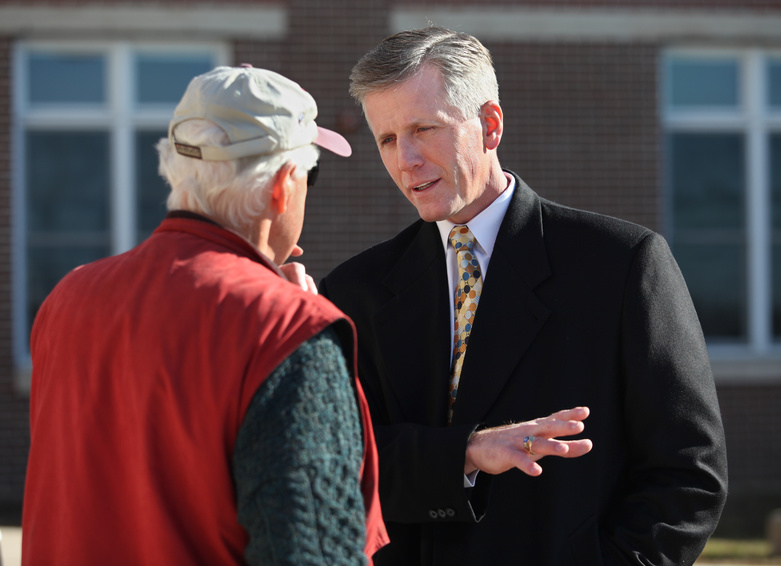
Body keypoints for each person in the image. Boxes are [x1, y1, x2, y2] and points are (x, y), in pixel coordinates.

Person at [319, 27, 728, 565]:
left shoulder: (621, 264)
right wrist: (462, 455)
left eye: (424, 129)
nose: (406, 160)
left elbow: (688, 472)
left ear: (490, 125)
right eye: (388, 139)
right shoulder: (353, 291)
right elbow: (341, 465)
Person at [22, 65, 387, 565]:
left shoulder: (67, 300)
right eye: (311, 174)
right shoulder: (286, 330)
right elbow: (313, 549)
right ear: (282, 185)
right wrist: (289, 317)